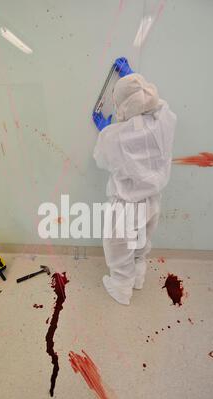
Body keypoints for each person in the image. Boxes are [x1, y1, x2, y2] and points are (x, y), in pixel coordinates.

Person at [92, 57, 177, 306]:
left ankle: (121, 288)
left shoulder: (116, 136)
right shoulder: (165, 120)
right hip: (153, 201)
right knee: (142, 243)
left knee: (118, 246)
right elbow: (157, 104)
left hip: (126, 204)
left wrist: (104, 130)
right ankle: (138, 277)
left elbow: (101, 159)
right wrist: (135, 81)